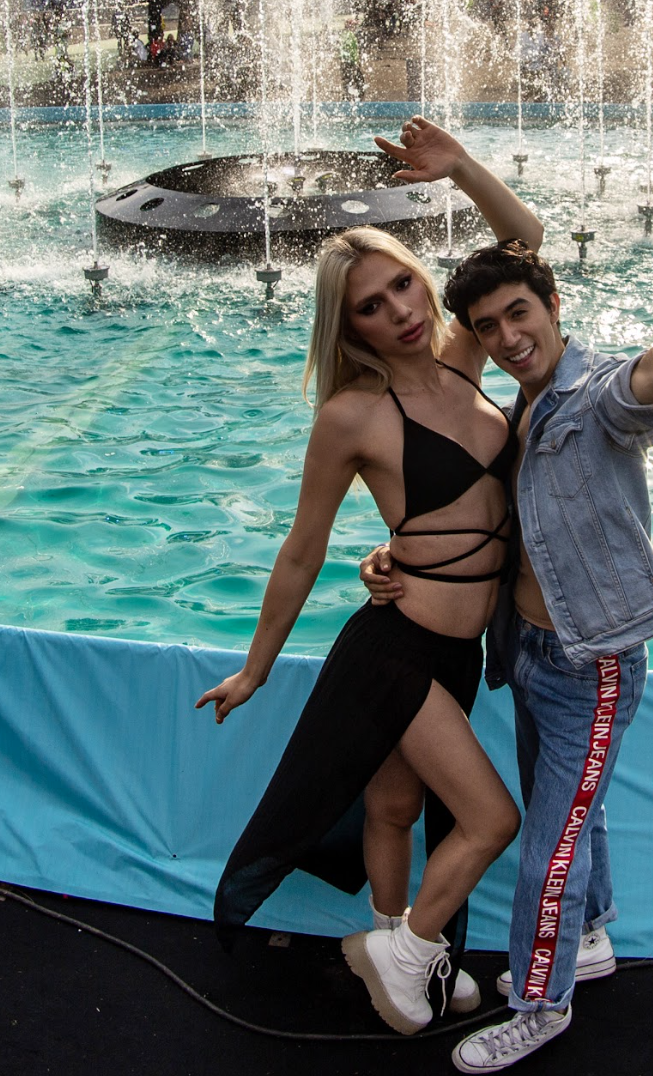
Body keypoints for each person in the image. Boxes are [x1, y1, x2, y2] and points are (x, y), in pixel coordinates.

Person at [361, 243, 653, 1072]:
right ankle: (586, 935)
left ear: (553, 305)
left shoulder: (591, 396)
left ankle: (540, 1004)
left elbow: (644, 383)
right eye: (488, 325)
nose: (509, 335)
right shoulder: (518, 406)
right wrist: (394, 553)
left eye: (521, 313)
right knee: (572, 817)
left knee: (551, 842)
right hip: (528, 656)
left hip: (594, 662)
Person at [203, 118, 545, 1037]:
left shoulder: (465, 357)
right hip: (394, 650)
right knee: (488, 821)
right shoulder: (352, 415)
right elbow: (302, 550)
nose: (397, 308)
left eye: (402, 281)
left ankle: (407, 957)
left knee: (393, 806)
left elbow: (524, 246)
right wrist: (257, 666)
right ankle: (405, 957)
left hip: (460, 652)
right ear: (345, 325)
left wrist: (465, 169)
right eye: (370, 304)